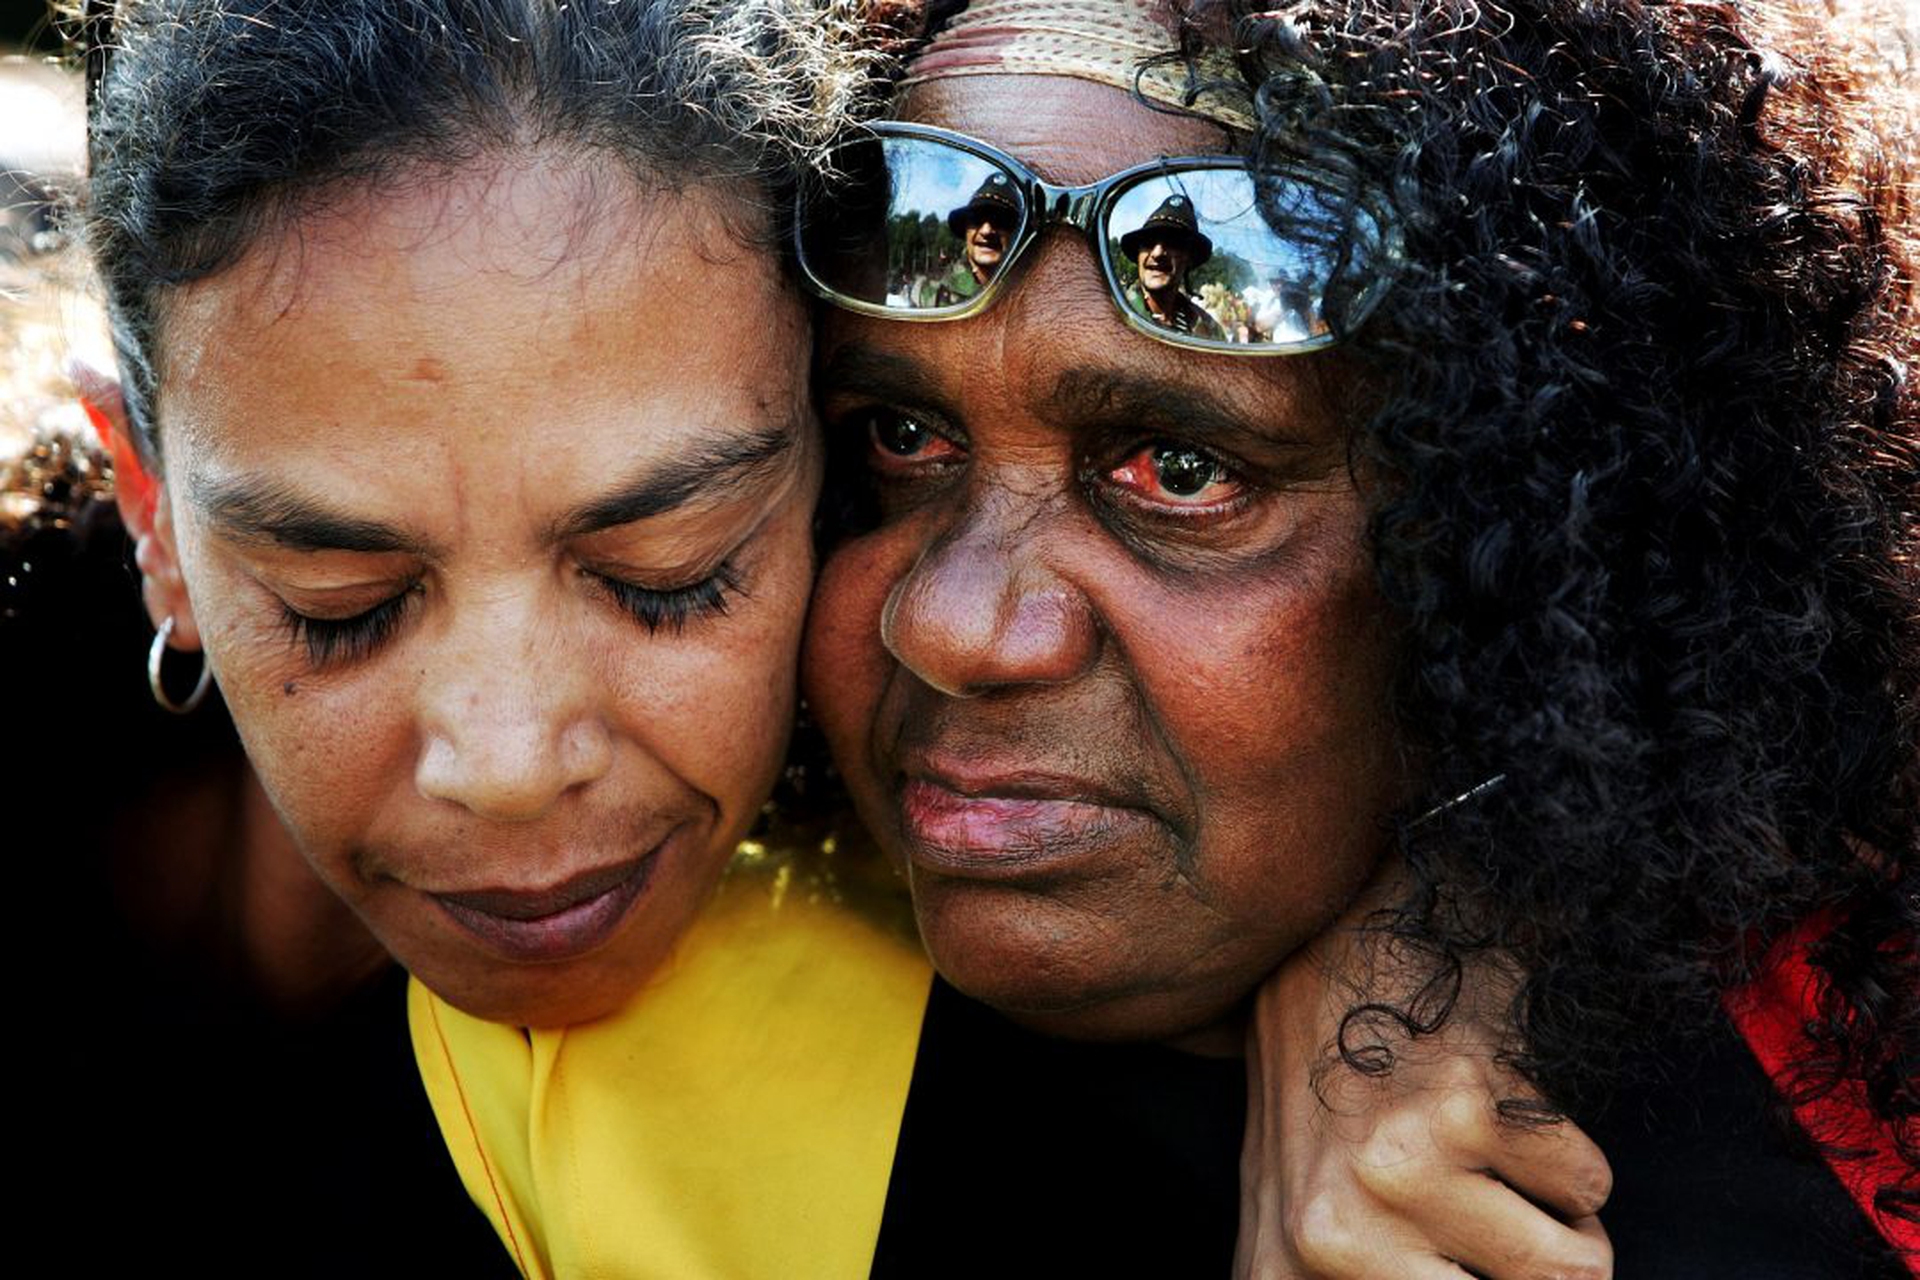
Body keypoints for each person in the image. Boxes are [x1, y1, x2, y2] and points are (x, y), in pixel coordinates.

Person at [39, 1, 1611, 1276]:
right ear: (154, 524)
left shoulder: (1780, 1051)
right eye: (343, 602)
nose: (509, 765)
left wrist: (1454, 897)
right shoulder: (566, 1127)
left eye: (670, 571)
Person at [796, 0, 1917, 1276]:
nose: (947, 623)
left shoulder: (1828, 1125)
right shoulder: (613, 1078)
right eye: (900, 437)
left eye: (1178, 468)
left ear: (1534, 541)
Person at [1119, 192, 1229, 339]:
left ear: (1189, 258)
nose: (1157, 253)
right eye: (1148, 242)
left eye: (1173, 243)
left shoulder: (1209, 331)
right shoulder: (1112, 313)